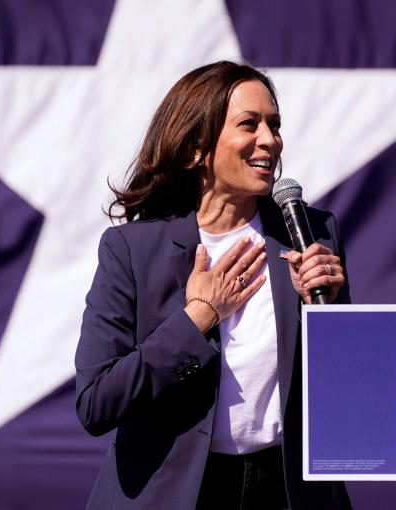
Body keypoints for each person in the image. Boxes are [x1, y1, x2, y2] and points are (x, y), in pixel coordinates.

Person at [75, 61, 353, 510]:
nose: (270, 140)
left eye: (275, 125)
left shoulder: (311, 234)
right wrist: (197, 318)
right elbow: (97, 403)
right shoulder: (132, 249)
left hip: (287, 491)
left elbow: (348, 395)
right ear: (194, 149)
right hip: (172, 494)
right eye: (249, 124)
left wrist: (325, 312)